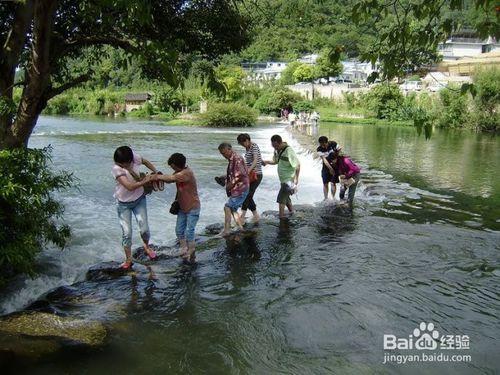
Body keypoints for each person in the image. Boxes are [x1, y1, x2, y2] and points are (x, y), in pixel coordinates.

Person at [112, 146, 158, 269]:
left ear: (129, 160)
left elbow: (146, 161)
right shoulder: (116, 168)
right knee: (127, 233)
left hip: (139, 200)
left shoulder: (134, 157)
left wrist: (155, 172)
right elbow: (130, 186)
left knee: (145, 230)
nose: (119, 164)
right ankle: (128, 259)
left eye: (122, 163)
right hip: (123, 204)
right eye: (118, 162)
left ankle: (146, 247)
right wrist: (146, 180)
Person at [151, 153, 200, 262]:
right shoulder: (179, 172)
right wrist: (176, 201)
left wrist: (156, 176)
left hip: (193, 207)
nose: (172, 169)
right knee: (179, 230)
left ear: (177, 165)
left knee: (189, 231)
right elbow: (171, 180)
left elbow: (171, 178)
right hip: (182, 207)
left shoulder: (187, 173)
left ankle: (191, 249)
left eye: (172, 166)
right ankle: (183, 248)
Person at [262, 135, 300, 219]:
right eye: (273, 146)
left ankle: (281, 216)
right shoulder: (276, 150)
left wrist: (296, 179)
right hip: (283, 179)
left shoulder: (289, 151)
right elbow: (275, 161)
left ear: (281, 142)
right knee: (286, 198)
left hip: (289, 179)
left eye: (276, 146)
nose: (275, 148)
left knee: (281, 198)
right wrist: (266, 162)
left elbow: (297, 165)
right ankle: (292, 212)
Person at [217, 143, 249, 236]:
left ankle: (227, 230)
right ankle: (240, 228)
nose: (223, 155)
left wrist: (229, 185)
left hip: (241, 188)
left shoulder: (237, 159)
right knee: (233, 209)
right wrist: (225, 177)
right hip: (239, 188)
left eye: (224, 153)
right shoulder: (232, 159)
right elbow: (236, 173)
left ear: (230, 149)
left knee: (227, 207)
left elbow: (239, 175)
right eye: (222, 154)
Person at [237, 133, 263, 224]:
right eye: (240, 144)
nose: (242, 145)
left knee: (247, 195)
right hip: (249, 175)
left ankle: (242, 216)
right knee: (248, 195)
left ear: (247, 140)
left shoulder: (254, 146)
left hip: (256, 175)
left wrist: (249, 170)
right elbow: (256, 159)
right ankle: (256, 215)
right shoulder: (247, 148)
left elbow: (255, 160)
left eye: (242, 143)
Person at [317, 136, 341, 200]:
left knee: (333, 183)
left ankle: (333, 198)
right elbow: (324, 160)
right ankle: (326, 198)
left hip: (335, 166)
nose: (323, 146)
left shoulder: (333, 144)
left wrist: (336, 156)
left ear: (327, 142)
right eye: (321, 145)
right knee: (325, 183)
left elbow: (340, 148)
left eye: (324, 144)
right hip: (326, 166)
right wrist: (330, 169)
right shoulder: (319, 149)